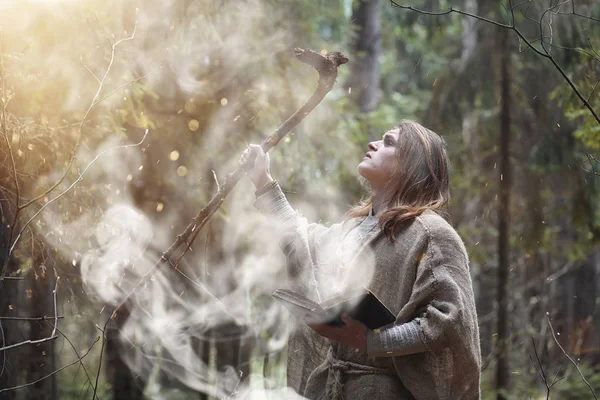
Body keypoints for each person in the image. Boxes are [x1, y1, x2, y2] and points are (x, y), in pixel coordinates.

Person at [242, 120, 481, 400]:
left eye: (389, 142)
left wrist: (371, 341)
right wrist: (262, 179)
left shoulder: (432, 234)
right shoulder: (353, 230)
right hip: (331, 389)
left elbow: (449, 323)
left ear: (413, 164)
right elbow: (302, 241)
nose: (373, 144)